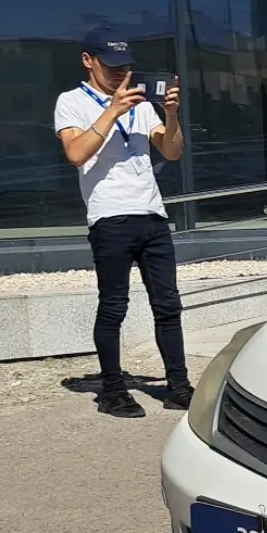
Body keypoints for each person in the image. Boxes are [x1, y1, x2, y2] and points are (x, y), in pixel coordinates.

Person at [53, 27, 189, 418]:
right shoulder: (71, 102)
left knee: (168, 306)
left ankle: (177, 386)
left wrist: (171, 114)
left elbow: (172, 151)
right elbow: (76, 153)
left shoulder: (143, 104)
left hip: (152, 214)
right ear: (88, 60)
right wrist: (112, 110)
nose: (118, 74)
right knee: (114, 306)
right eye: (110, 66)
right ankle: (112, 391)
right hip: (109, 217)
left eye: (124, 67)